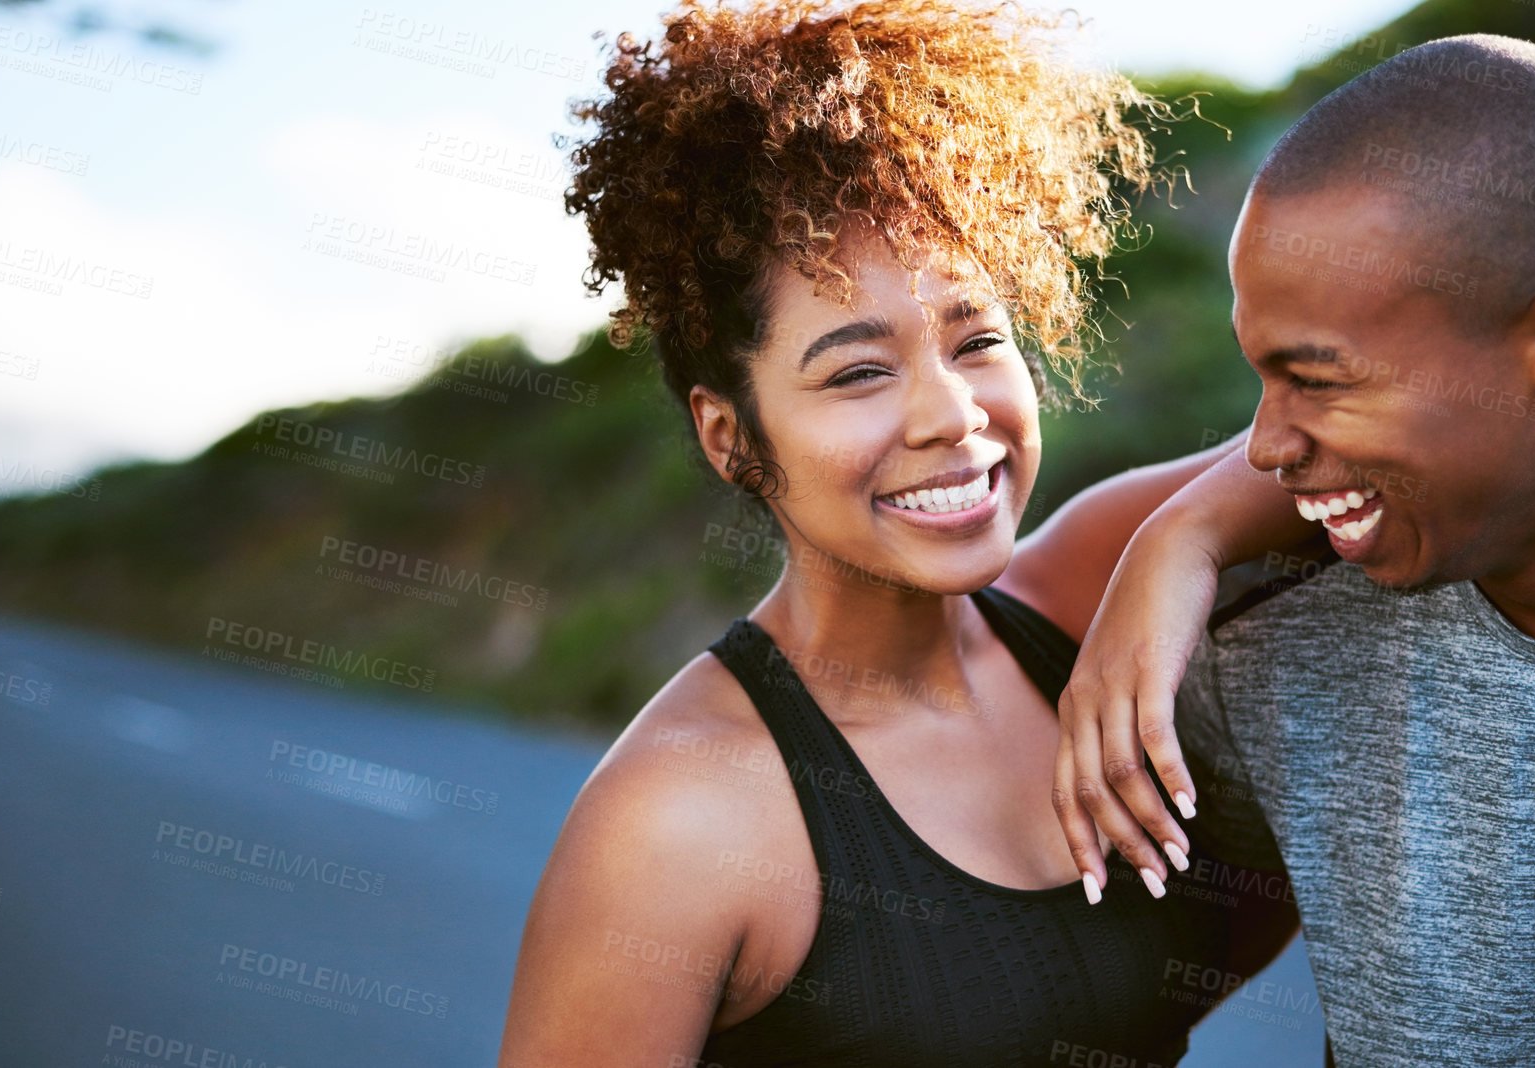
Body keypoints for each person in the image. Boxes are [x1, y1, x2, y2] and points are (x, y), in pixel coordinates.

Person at [498, 2, 1305, 1064]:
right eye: (859, 371)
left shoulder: (1088, 587)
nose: (951, 414)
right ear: (730, 434)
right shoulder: (679, 818)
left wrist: (1182, 542)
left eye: (977, 339)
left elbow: (1388, 429)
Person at [1054, 33, 1535, 1066]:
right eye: (1261, 380)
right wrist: (1177, 534)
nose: (1269, 443)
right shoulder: (1257, 631)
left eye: (1318, 380)